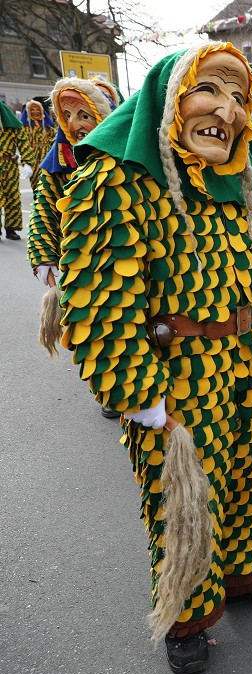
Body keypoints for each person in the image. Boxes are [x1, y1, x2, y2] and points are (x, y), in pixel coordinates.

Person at [56, 42, 252, 674]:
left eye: (238, 97)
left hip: (246, 361)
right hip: (173, 376)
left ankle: (243, 574)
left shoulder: (235, 177)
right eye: (211, 90)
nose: (226, 110)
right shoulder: (117, 179)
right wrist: (138, 395)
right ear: (171, 99)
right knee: (185, 497)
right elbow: (97, 298)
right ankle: (186, 612)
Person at [26, 78, 121, 419]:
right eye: (66, 115)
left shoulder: (128, 153)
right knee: (93, 327)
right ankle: (110, 389)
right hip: (81, 263)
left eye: (84, 114)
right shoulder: (61, 160)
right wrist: (44, 258)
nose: (75, 124)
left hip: (126, 259)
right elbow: (43, 211)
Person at [0, 103, 24, 240]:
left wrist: (28, 162)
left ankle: (11, 229)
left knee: (12, 197)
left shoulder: (12, 127)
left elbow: (23, 142)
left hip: (9, 164)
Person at [19, 99, 56, 188]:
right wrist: (25, 162)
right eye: (32, 109)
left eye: (37, 109)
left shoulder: (47, 127)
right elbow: (22, 144)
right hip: (32, 155)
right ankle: (37, 198)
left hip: (46, 154)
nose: (35, 112)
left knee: (48, 178)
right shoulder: (25, 128)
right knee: (35, 180)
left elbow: (55, 138)